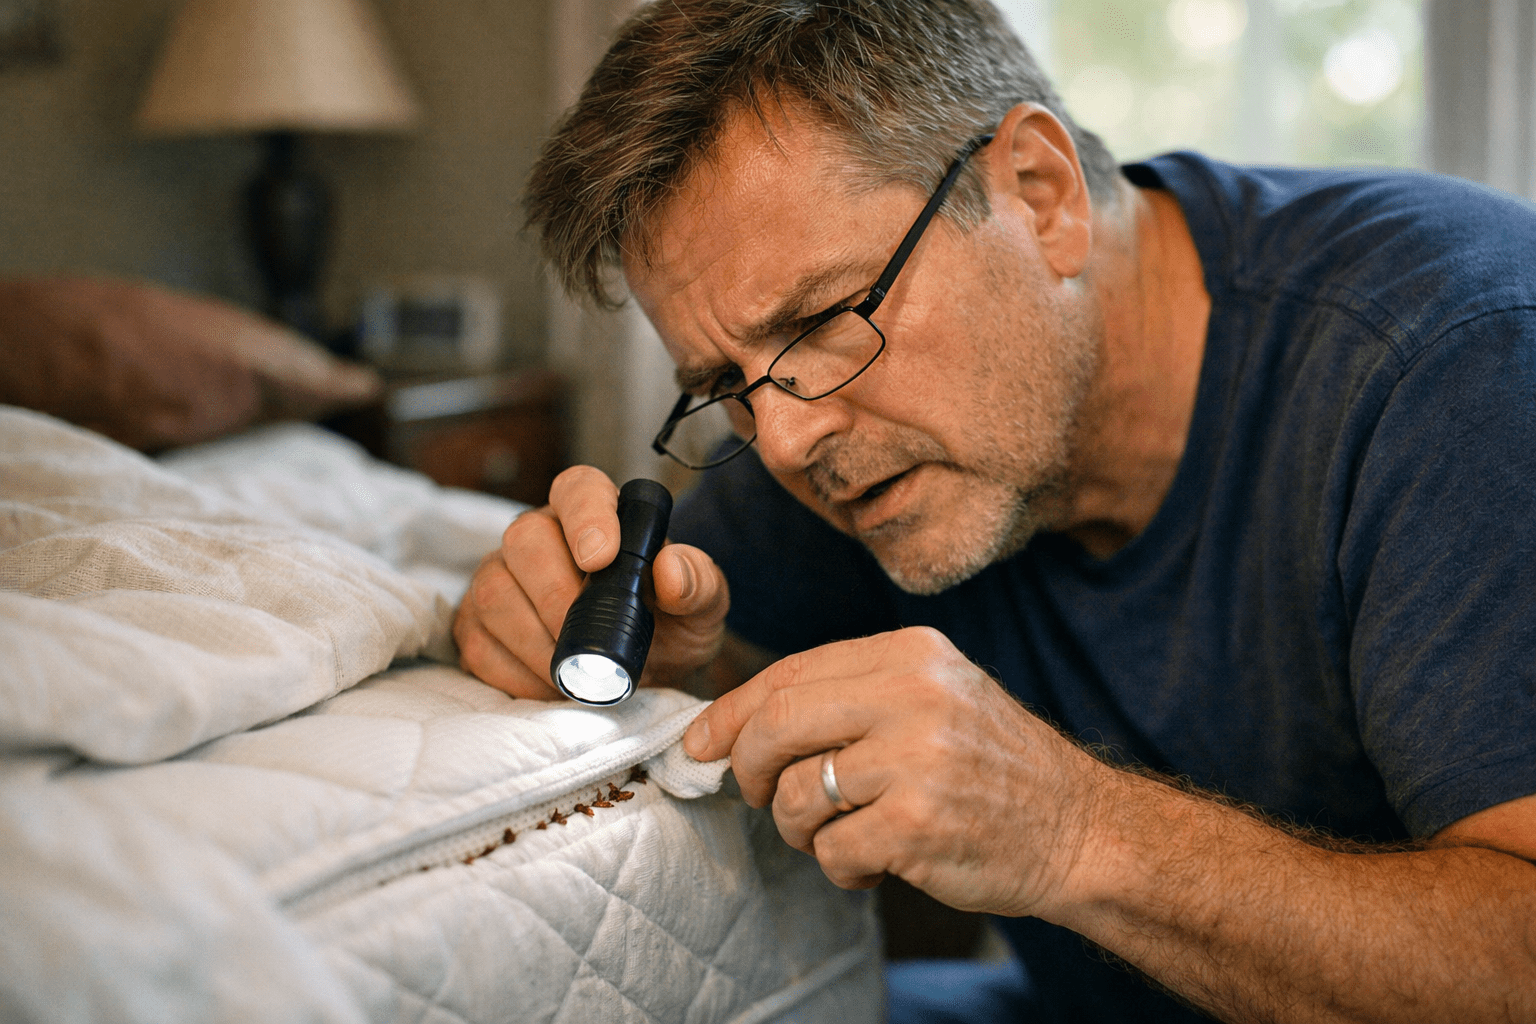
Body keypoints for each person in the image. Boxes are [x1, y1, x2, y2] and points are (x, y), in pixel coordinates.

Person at [454, 1, 1536, 1020]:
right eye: (724, 384)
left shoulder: (1457, 359)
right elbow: (716, 681)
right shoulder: (843, 429)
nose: (785, 441)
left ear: (1040, 192)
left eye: (823, 318)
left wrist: (1072, 832)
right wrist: (642, 653)